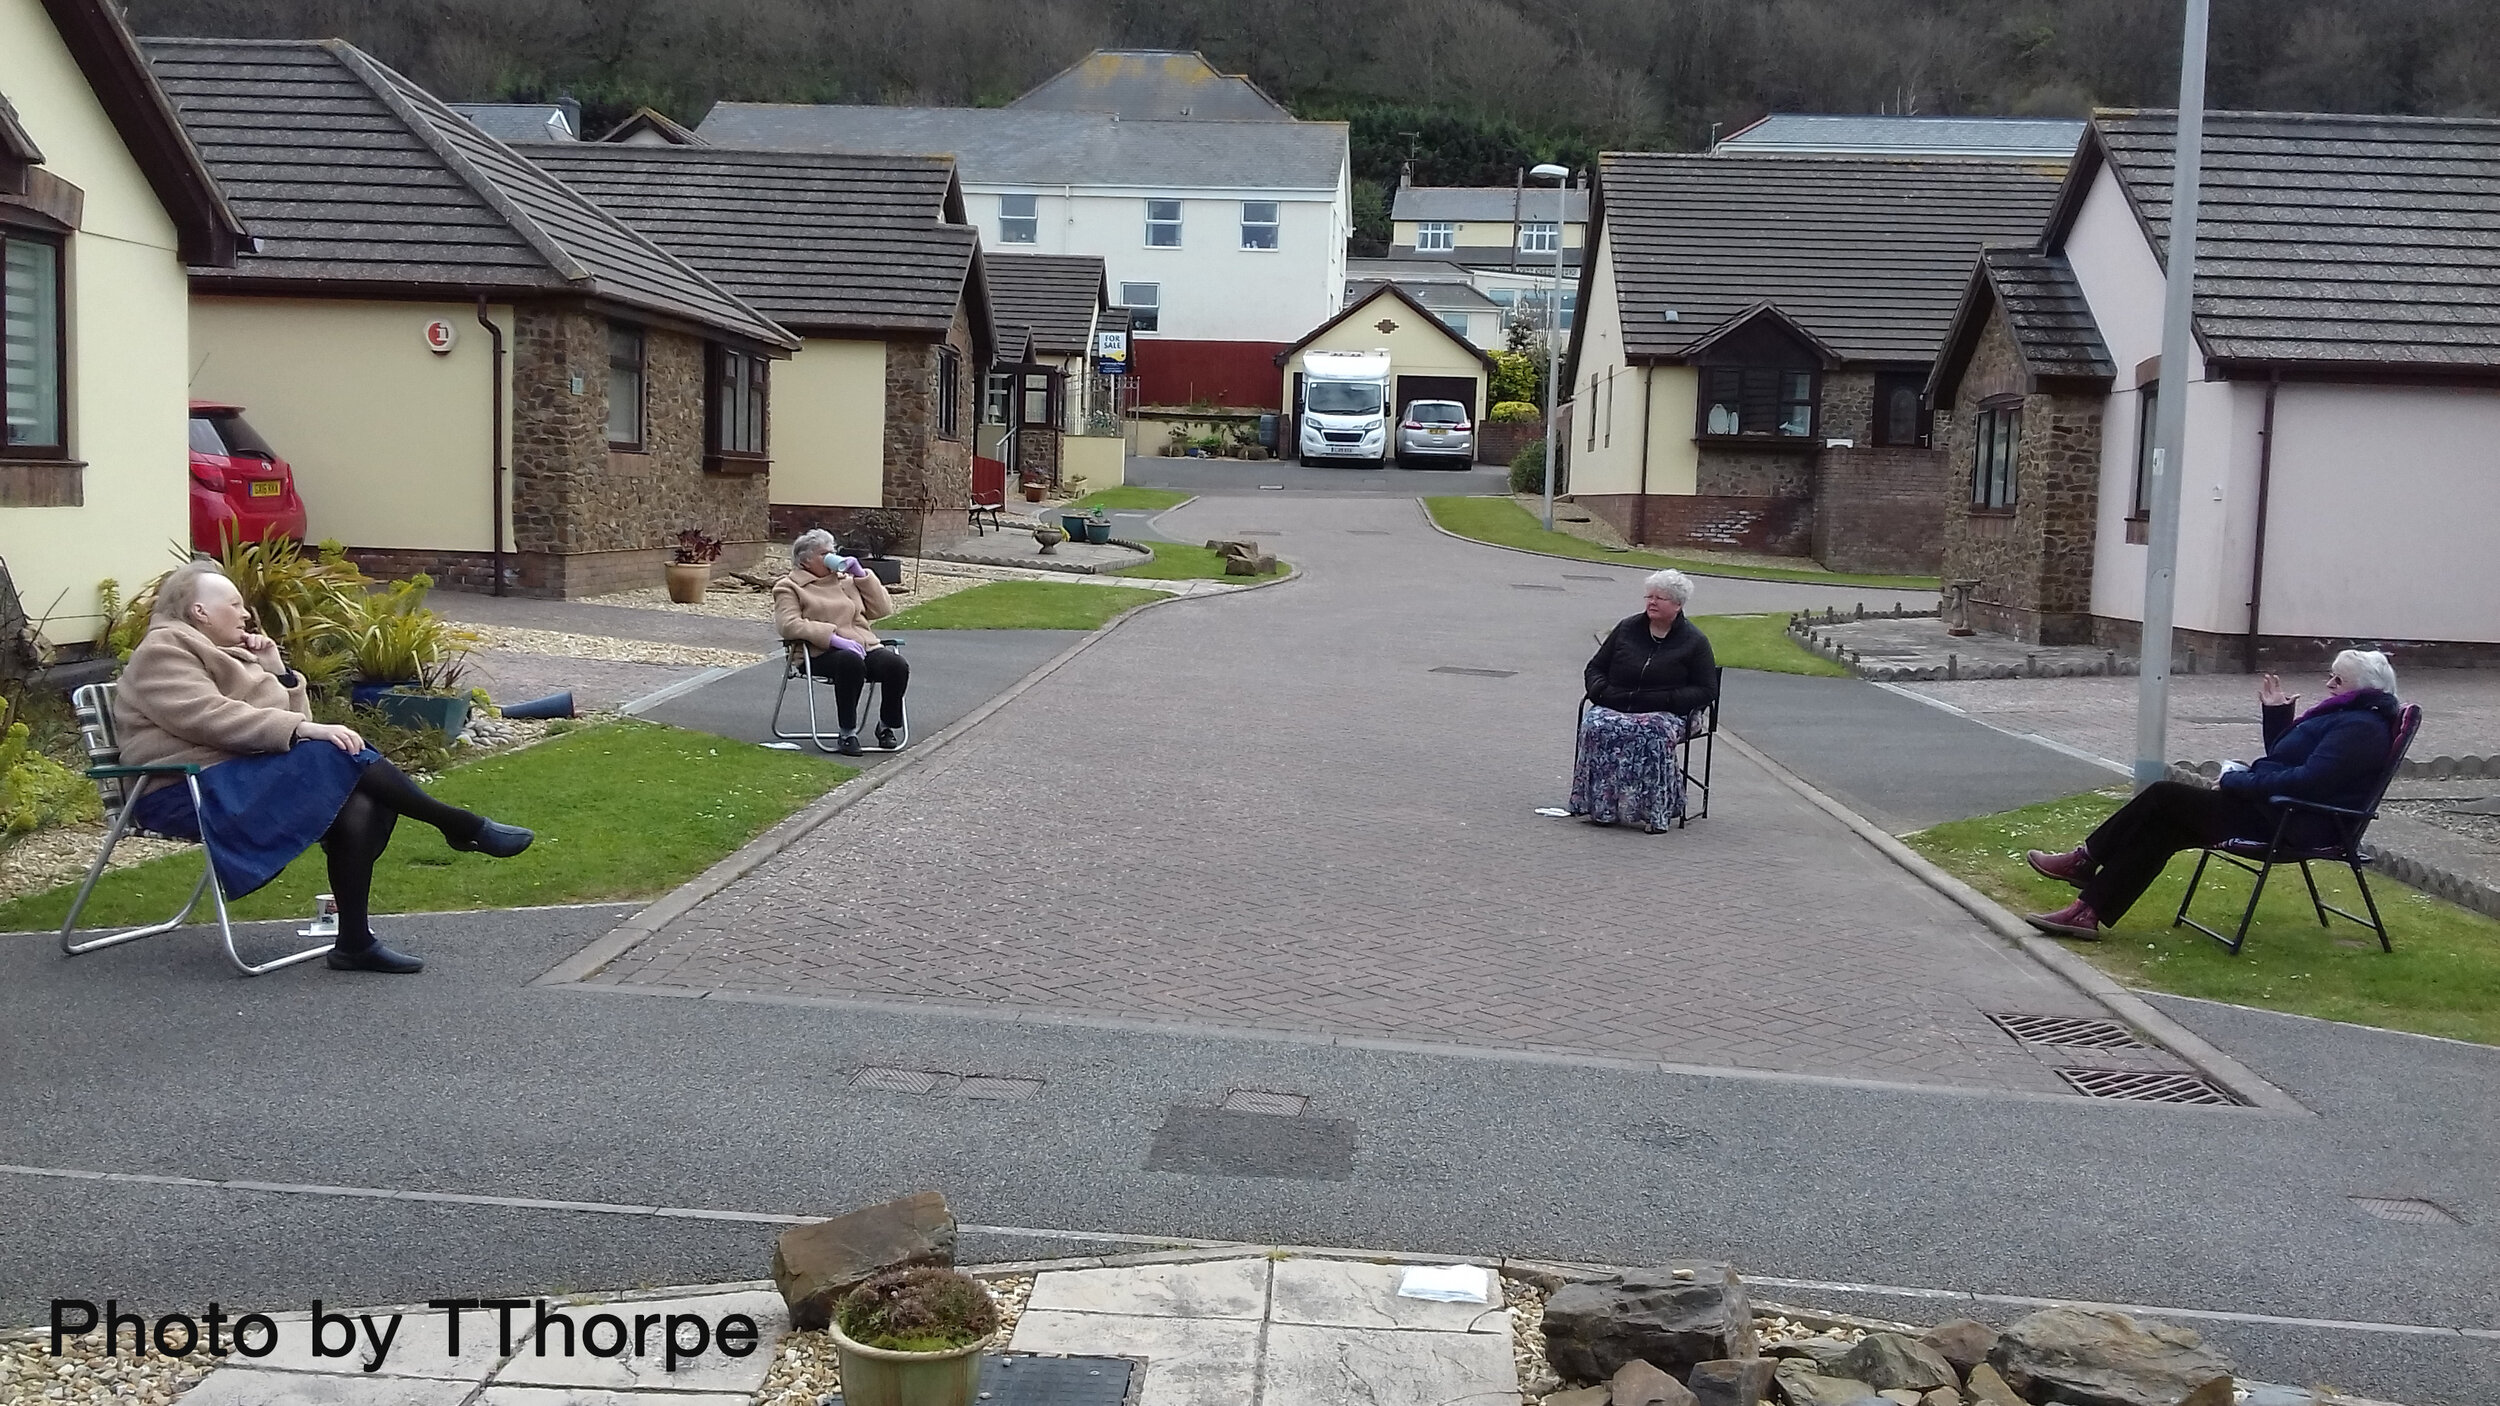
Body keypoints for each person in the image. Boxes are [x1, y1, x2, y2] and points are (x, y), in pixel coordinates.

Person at [112, 562, 533, 973]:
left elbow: (286, 722)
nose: (245, 613)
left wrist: (279, 673)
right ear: (199, 612)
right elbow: (209, 718)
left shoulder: (232, 656)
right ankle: (457, 824)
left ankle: (354, 942)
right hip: (180, 792)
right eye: (235, 604)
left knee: (362, 795)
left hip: (235, 779)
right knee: (337, 754)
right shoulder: (163, 650)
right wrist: (304, 729)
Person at [2026, 649, 2404, 938]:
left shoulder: (2360, 728)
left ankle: (2084, 860)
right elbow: (2283, 760)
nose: (2329, 685)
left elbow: (2304, 782)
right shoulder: (2345, 716)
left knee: (2163, 797)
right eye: (2331, 677)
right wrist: (2275, 715)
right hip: (2275, 811)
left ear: (2364, 688)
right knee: (2163, 827)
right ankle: (2086, 912)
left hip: (2292, 822)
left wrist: (2235, 782)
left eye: (2338, 680)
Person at [1570, 569, 1717, 832]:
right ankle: (1602, 807)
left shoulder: (1694, 642)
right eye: (1649, 596)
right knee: (1596, 724)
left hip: (1667, 711)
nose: (1652, 602)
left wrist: (1667, 699)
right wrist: (1601, 692)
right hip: (1616, 702)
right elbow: (1595, 668)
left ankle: (1656, 811)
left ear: (1678, 604)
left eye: (1660, 598)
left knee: (1651, 732)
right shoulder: (1627, 628)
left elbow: (1707, 689)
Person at [774, 528, 908, 756]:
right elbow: (788, 625)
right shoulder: (789, 586)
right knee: (850, 662)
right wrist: (833, 638)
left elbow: (882, 609)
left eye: (833, 551)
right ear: (805, 560)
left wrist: (862, 575)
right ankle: (847, 732)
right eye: (824, 554)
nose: (832, 557)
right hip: (818, 652)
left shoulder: (846, 581)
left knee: (896, 665)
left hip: (861, 645)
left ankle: (887, 726)